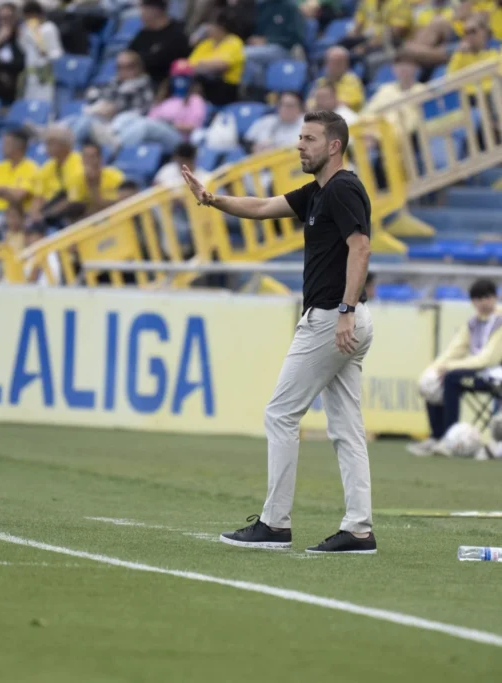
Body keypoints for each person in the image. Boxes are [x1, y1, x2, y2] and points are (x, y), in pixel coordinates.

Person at [180, 110, 376, 554]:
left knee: (280, 414)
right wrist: (212, 199)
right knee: (346, 428)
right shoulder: (320, 191)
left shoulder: (342, 188)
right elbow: (263, 208)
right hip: (347, 317)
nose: (299, 145)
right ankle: (359, 530)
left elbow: (360, 247)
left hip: (332, 318)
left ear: (333, 146)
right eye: (299, 137)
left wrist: (344, 310)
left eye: (309, 138)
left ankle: (274, 524)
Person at [409, 278, 502, 457]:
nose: (482, 302)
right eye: (478, 298)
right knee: (434, 381)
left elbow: (489, 359)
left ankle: (448, 438)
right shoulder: (473, 323)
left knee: (452, 378)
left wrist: (449, 368)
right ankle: (436, 436)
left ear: (495, 297)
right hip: (480, 374)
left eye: (487, 297)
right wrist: (434, 369)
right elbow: (454, 350)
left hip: (501, 377)